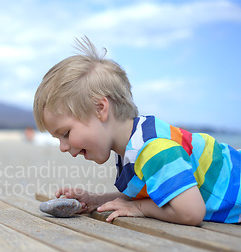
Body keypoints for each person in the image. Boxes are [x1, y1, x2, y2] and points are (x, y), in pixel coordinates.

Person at [33, 36, 241, 225]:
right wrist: (95, 200)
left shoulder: (154, 149)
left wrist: (138, 208)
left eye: (66, 133)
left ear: (100, 109)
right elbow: (152, 194)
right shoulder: (132, 148)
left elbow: (191, 212)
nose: (62, 147)